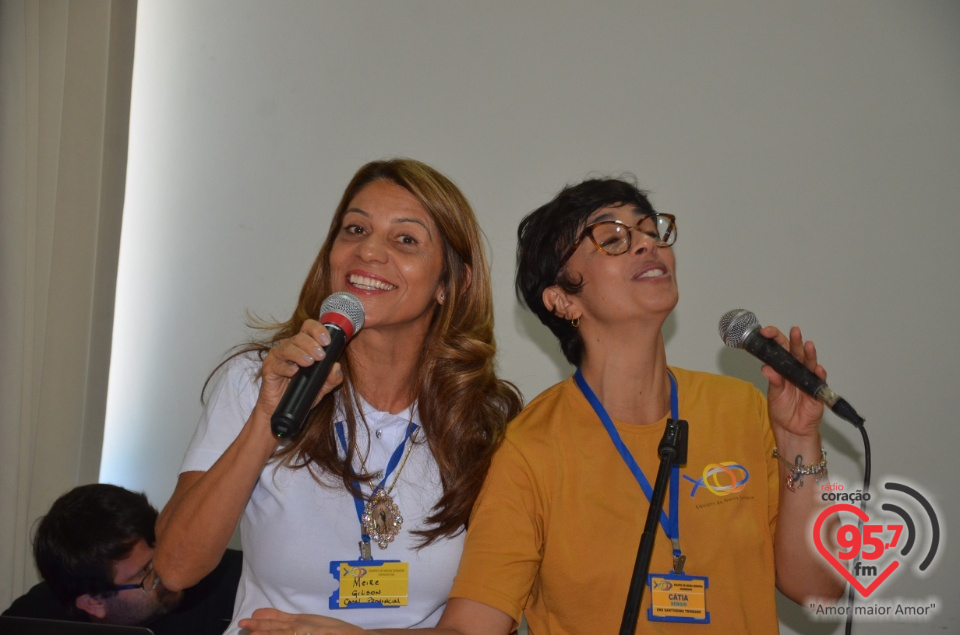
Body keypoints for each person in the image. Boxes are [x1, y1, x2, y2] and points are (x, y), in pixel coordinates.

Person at [238, 175, 846, 634]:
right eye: (611, 237)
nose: (644, 245)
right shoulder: (529, 446)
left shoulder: (740, 407)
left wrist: (798, 440)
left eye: (650, 230)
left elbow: (821, 592)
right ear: (561, 299)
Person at [154, 158, 522, 634]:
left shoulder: (486, 418)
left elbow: (490, 625)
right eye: (354, 229)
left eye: (405, 239)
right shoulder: (258, 380)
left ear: (451, 283)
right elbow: (175, 568)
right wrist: (267, 419)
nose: (369, 251)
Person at [2, 483, 241, 635]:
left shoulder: (235, 579)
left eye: (163, 548)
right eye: (146, 573)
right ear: (94, 603)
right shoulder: (33, 620)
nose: (170, 570)